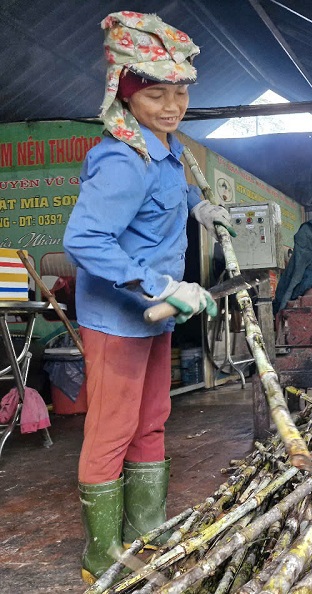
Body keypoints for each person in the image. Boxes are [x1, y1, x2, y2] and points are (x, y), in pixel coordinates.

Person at [63, 12, 233, 583]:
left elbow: (171, 194)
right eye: (156, 95)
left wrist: (198, 207)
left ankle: (145, 536)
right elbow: (84, 239)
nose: (171, 106)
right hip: (117, 317)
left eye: (179, 93)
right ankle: (101, 559)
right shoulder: (121, 158)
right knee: (111, 428)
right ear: (126, 96)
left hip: (155, 318)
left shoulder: (163, 148)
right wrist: (163, 287)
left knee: (152, 420)